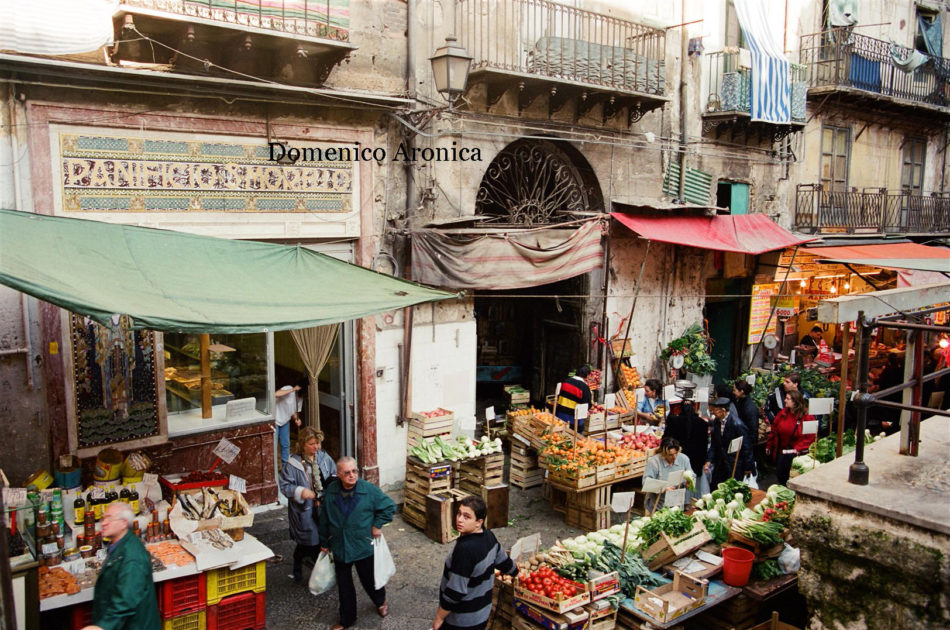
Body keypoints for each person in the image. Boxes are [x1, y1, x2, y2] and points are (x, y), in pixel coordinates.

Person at [319, 456, 396, 630]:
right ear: (338, 474)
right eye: (347, 473)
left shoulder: (369, 490)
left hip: (362, 545)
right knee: (344, 585)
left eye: (354, 471)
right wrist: (324, 541)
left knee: (369, 579)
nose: (352, 475)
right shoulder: (331, 491)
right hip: (340, 546)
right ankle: (347, 619)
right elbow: (324, 518)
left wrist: (377, 525)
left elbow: (389, 506)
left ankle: (380, 600)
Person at [432, 496, 518, 630]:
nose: (459, 519)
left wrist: (439, 617)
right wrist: (517, 573)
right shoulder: (489, 536)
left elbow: (455, 592)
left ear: (479, 522)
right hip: (482, 615)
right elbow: (504, 562)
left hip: (461, 620)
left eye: (467, 517)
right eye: (459, 513)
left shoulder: (465, 550)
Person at [81, 503, 160, 630]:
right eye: (103, 518)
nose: (104, 523)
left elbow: (126, 600)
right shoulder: (118, 546)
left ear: (123, 523)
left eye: (109, 519)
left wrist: (102, 627)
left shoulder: (133, 557)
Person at [279, 427, 337, 582]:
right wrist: (301, 492)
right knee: (309, 541)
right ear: (302, 444)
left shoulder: (324, 458)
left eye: (317, 443)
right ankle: (300, 562)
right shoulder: (292, 465)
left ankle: (319, 569)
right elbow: (285, 486)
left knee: (323, 538)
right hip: (304, 510)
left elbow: (333, 473)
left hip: (323, 507)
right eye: (311, 444)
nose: (315, 447)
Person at [766, 390, 816, 485]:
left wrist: (798, 448)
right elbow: (774, 429)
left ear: (795, 402)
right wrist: (769, 444)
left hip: (797, 455)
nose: (785, 400)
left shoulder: (808, 417)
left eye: (788, 399)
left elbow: (810, 437)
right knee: (781, 476)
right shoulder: (783, 413)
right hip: (782, 453)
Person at [705, 397, 754, 489]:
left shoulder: (737, 424)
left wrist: (748, 467)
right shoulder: (717, 422)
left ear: (723, 411)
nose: (712, 412)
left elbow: (747, 447)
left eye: (714, 410)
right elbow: (714, 444)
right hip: (721, 463)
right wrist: (709, 460)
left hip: (734, 463)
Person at [643, 438, 694, 512]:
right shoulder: (654, 462)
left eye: (676, 453)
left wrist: (690, 482)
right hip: (658, 505)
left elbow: (691, 475)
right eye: (670, 455)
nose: (674, 457)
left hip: (677, 504)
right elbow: (646, 482)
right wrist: (663, 488)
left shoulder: (684, 459)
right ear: (663, 453)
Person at [662, 399, 709, 480]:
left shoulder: (674, 422)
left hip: (677, 463)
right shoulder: (703, 423)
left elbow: (665, 440)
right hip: (696, 463)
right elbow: (705, 445)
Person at [275, 378, 306, 464]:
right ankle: (272, 465)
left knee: (285, 444)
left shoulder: (300, 398)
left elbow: (294, 411)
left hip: (285, 421)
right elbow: (276, 394)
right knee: (273, 444)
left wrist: (297, 419)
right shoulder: (288, 388)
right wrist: (293, 390)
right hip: (275, 419)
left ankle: (285, 465)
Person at [554, 365, 592, 433]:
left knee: (559, 435)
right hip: (574, 420)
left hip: (560, 417)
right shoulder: (584, 388)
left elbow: (558, 396)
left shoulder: (565, 381)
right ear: (587, 376)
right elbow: (587, 406)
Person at [733, 379, 759, 476]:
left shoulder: (749, 409)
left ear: (741, 392)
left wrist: (748, 458)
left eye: (735, 390)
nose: (733, 392)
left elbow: (753, 432)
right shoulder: (741, 402)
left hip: (746, 445)